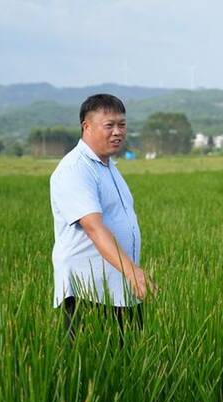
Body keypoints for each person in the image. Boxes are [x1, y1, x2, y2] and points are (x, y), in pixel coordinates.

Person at [50, 94, 152, 345]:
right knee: (92, 370)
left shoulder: (107, 166)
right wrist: (133, 272)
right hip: (90, 292)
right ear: (87, 127)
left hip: (121, 290)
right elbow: (94, 228)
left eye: (122, 125)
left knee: (128, 365)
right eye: (109, 125)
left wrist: (130, 276)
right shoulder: (75, 169)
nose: (118, 132)